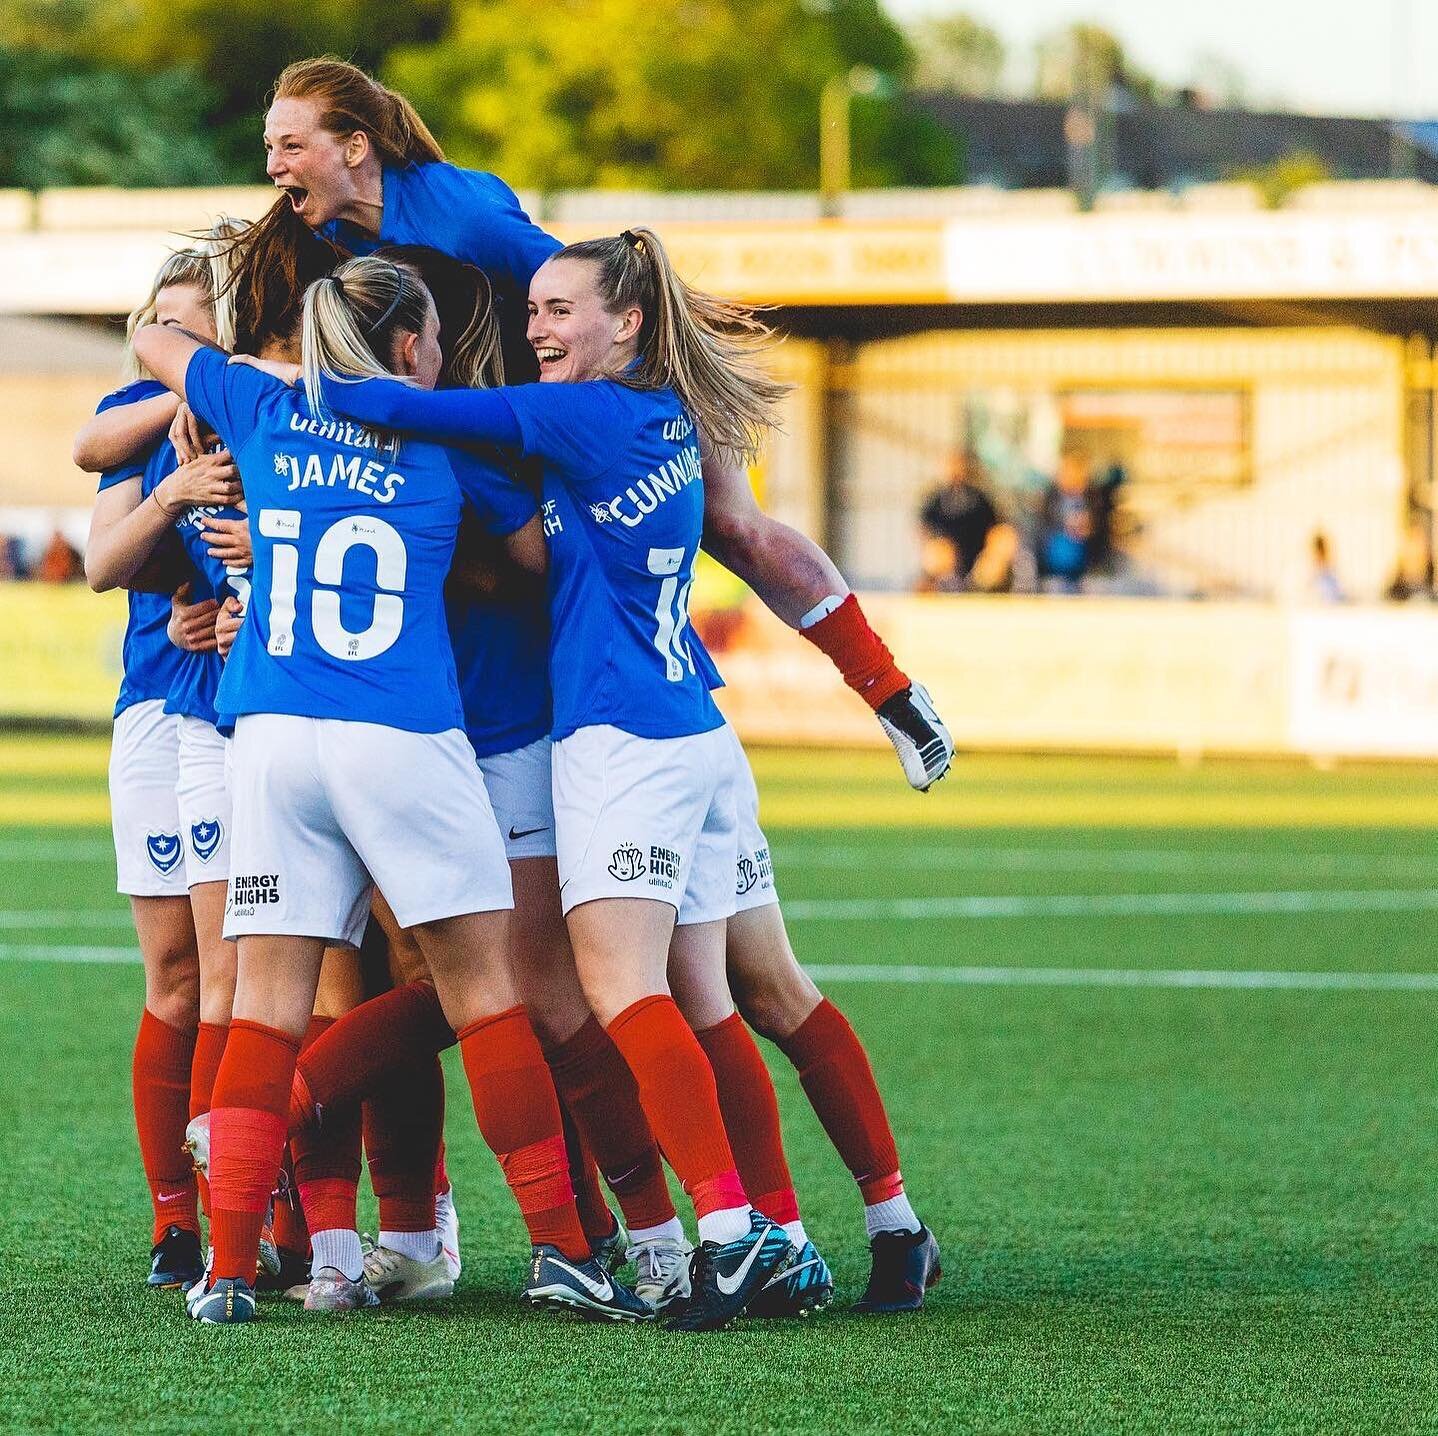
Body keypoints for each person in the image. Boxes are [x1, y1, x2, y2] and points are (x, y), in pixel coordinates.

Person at [303, 227, 814, 1331]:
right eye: (525, 311)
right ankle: (727, 1233)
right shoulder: (622, 419)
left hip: (545, 737)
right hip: (522, 738)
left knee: (578, 995)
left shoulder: (541, 426)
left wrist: (255, 380)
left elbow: (525, 548)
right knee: (600, 992)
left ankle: (673, 1239)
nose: (534, 329)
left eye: (556, 310)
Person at [133, 255, 648, 1326]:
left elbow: (156, 342)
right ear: (412, 347)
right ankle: (562, 1245)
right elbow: (522, 561)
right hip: (401, 730)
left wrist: (235, 386)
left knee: (268, 1005)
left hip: (270, 731)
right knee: (484, 990)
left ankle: (226, 1270)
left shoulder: (264, 402)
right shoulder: (448, 428)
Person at [259, 56, 952, 791]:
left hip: (565, 423)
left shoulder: (460, 215)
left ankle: (890, 693)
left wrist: (634, 409)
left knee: (732, 528)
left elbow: (581, 293)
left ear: (356, 148)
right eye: (270, 148)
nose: (273, 167)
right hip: (503, 430)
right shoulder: (326, 236)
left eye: (290, 147)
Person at [81, 247, 245, 1290]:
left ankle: (249, 1201)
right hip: (150, 713)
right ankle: (171, 1220)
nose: (172, 351)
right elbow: (103, 562)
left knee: (233, 977)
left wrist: (242, 614)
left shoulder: (263, 419)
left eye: (195, 333)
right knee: (174, 979)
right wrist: (171, 487)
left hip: (232, 723)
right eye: (162, 329)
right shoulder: (139, 423)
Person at [1037, 448, 1118, 593]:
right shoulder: (1049, 499)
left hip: (1088, 570)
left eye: (1076, 470)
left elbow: (1105, 533)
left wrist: (1090, 527)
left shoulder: (1096, 499)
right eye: (1066, 470)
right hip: (1052, 571)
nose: (1069, 475)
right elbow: (1040, 530)